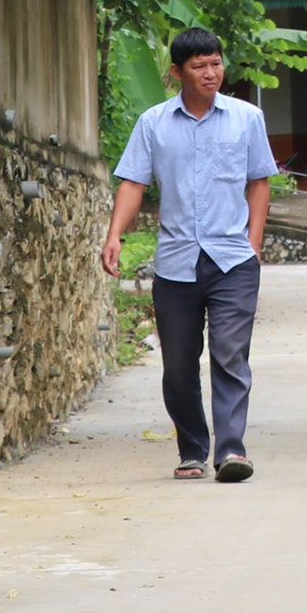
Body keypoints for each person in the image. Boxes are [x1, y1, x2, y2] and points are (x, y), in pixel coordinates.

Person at [101, 28, 279, 483]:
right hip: (176, 261)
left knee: (229, 353)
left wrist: (253, 242)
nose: (210, 73)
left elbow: (259, 181)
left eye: (216, 63)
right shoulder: (153, 123)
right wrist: (115, 235)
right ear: (176, 72)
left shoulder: (246, 118)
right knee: (178, 365)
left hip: (233, 260)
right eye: (199, 66)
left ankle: (232, 451)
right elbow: (133, 183)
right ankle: (193, 449)